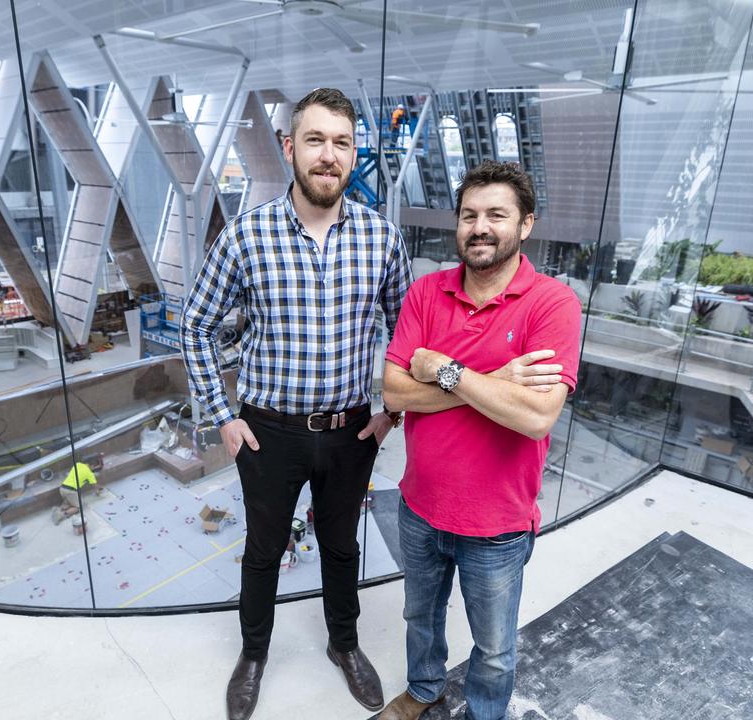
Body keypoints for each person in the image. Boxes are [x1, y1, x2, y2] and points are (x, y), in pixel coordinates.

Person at [181, 87, 412, 720]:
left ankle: (344, 645)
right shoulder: (245, 237)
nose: (328, 155)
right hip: (268, 432)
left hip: (349, 432)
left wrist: (392, 411)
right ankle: (253, 655)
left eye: (342, 142)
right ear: (289, 148)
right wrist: (222, 416)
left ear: (354, 152)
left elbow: (409, 335)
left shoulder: (382, 240)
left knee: (342, 547)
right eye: (315, 140)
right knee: (263, 548)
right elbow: (195, 324)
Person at [378, 161, 581, 720]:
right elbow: (394, 393)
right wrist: (495, 384)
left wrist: (444, 369)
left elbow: (537, 416)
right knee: (420, 618)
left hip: (497, 525)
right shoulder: (426, 292)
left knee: (493, 650)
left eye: (497, 214)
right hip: (419, 507)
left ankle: (485, 714)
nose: (480, 227)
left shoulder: (552, 304)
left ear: (526, 225)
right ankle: (424, 689)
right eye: (470, 215)